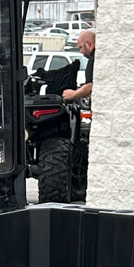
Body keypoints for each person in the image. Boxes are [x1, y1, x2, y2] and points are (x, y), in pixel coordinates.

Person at [38, 30, 94, 202]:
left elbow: (91, 86)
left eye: (80, 48)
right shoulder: (95, 58)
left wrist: (74, 94)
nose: (81, 52)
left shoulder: (93, 59)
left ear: (89, 44)